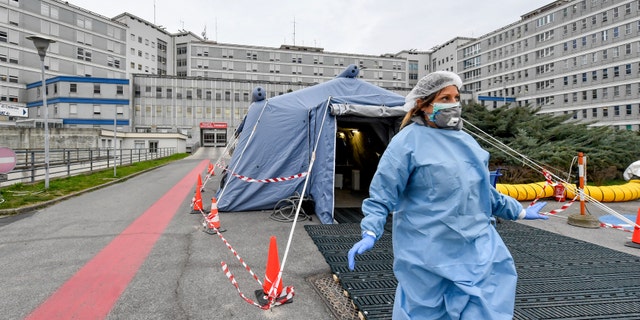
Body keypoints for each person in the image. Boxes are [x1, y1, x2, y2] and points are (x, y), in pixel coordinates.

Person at [347, 71, 548, 320]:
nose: (453, 104)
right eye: (445, 98)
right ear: (423, 104)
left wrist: (519, 210)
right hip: (427, 252)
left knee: (487, 305)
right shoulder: (406, 144)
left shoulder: (468, 143)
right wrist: (370, 231)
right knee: (425, 311)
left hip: (477, 247)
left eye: (456, 97)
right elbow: (382, 195)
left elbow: (482, 191)